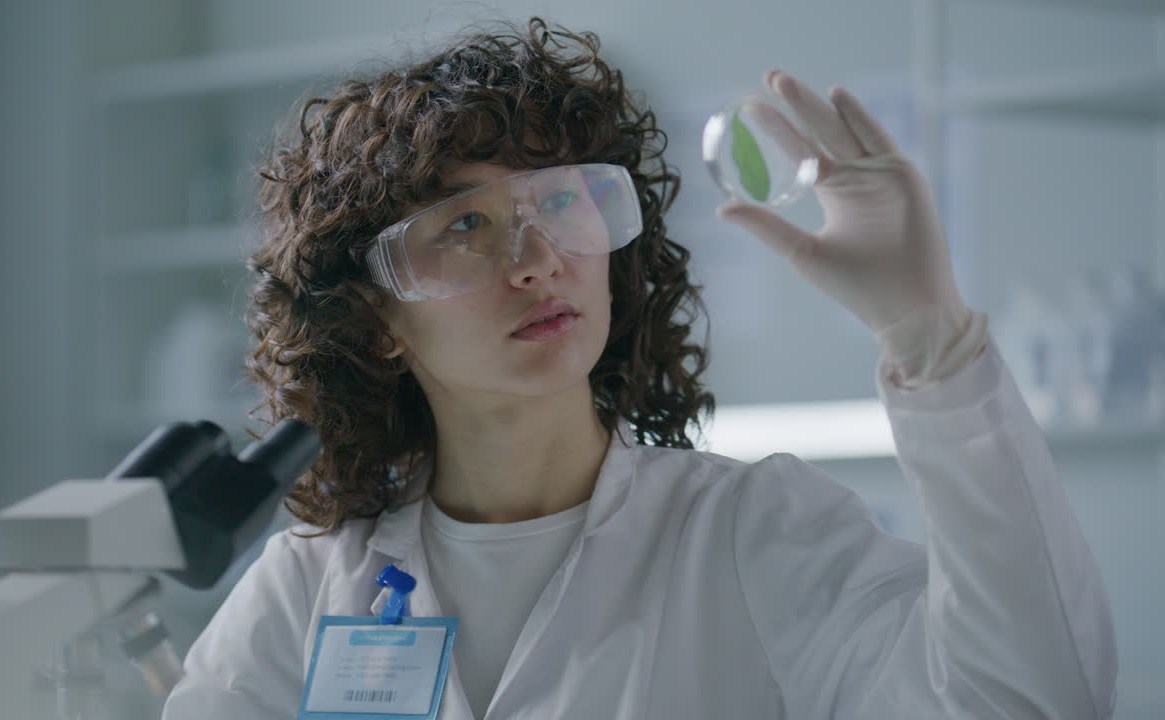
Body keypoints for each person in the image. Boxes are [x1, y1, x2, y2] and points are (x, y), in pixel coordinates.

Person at [162, 16, 1117, 720]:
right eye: (465, 224)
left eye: (563, 202)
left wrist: (927, 330)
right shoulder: (308, 590)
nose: (535, 258)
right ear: (378, 322)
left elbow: (1027, 701)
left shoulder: (751, 536)